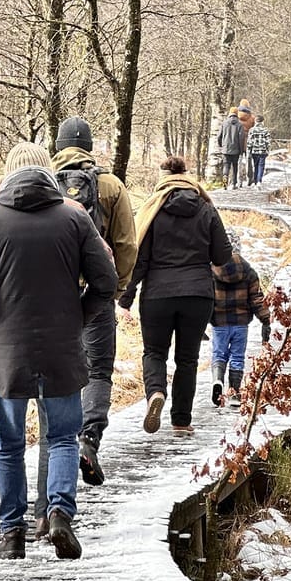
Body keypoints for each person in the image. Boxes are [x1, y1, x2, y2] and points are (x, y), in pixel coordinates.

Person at [0, 142, 117, 561]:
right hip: (62, 348)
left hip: (7, 353)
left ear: (7, 176)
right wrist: (80, 315)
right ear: (49, 175)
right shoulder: (75, 219)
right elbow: (107, 281)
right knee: (61, 437)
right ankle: (59, 512)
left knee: (8, 444)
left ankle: (12, 534)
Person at [46, 115, 138, 500]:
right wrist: (115, 289)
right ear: (90, 146)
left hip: (54, 295)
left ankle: (58, 446)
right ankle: (88, 437)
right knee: (98, 369)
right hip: (96, 293)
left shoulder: (43, 181)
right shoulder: (110, 185)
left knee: (56, 371)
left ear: (59, 143)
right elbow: (127, 244)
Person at [119, 155, 232, 435]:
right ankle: (181, 420)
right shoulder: (206, 208)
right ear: (186, 175)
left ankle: (156, 392)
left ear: (163, 177)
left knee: (155, 352)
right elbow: (222, 255)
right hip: (198, 295)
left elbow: (139, 260)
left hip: (158, 293)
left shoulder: (153, 210)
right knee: (188, 359)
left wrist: (125, 299)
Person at [210, 229, 269, 407]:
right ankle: (234, 393)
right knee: (237, 357)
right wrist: (265, 319)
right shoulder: (248, 271)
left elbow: (205, 298)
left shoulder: (211, 271)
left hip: (219, 322)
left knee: (219, 353)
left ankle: (217, 381)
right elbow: (256, 298)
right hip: (241, 323)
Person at [217, 106, 245, 189]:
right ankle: (234, 183)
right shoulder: (239, 125)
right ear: (237, 114)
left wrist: (221, 146)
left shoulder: (224, 123)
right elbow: (241, 138)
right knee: (235, 166)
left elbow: (219, 136)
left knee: (226, 166)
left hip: (225, 150)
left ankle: (225, 183)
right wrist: (241, 150)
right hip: (236, 150)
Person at [246, 114, 271, 187]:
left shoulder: (252, 130)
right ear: (262, 122)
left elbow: (249, 142)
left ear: (255, 121)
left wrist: (249, 150)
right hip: (263, 151)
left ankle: (256, 181)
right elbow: (268, 142)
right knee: (261, 166)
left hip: (254, 151)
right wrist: (268, 150)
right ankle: (259, 181)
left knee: (256, 166)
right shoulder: (266, 130)